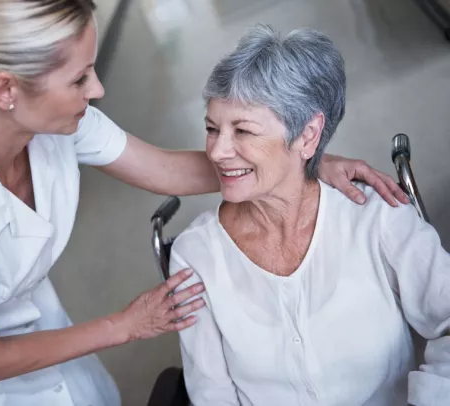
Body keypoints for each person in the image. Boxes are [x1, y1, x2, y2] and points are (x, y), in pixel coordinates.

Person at [0, 1, 408, 405]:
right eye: (79, 78)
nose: (97, 89)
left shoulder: (55, 120)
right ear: (6, 91)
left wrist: (301, 162)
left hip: (25, 319)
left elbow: (167, 169)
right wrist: (126, 324)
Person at [169, 24, 450, 406]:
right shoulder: (195, 255)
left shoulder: (375, 219)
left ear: (307, 135)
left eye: (243, 131)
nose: (217, 152)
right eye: (212, 129)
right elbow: (211, 394)